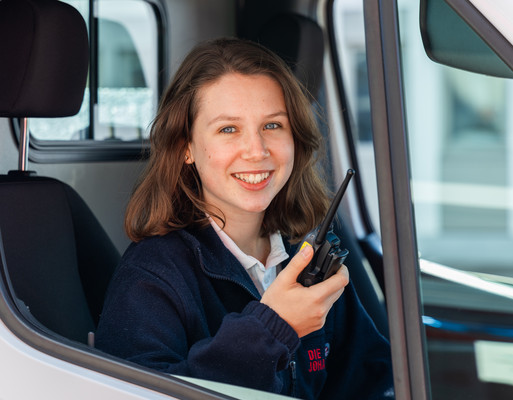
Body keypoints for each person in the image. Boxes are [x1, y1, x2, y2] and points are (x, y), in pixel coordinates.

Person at [96, 37, 394, 400]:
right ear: (185, 148)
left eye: (272, 126)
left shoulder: (309, 257)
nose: (257, 150)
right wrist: (273, 329)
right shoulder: (151, 275)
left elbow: (373, 381)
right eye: (228, 129)